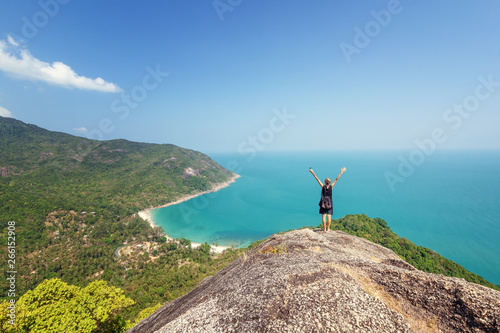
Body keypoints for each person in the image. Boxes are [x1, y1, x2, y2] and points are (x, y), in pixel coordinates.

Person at [309, 167, 346, 231]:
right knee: (329, 216)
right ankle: (328, 229)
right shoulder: (331, 187)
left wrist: (312, 172)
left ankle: (324, 229)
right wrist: (341, 172)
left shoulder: (322, 186)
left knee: (324, 216)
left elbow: (317, 179)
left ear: (325, 182)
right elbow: (336, 179)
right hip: (329, 203)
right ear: (329, 182)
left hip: (323, 203)